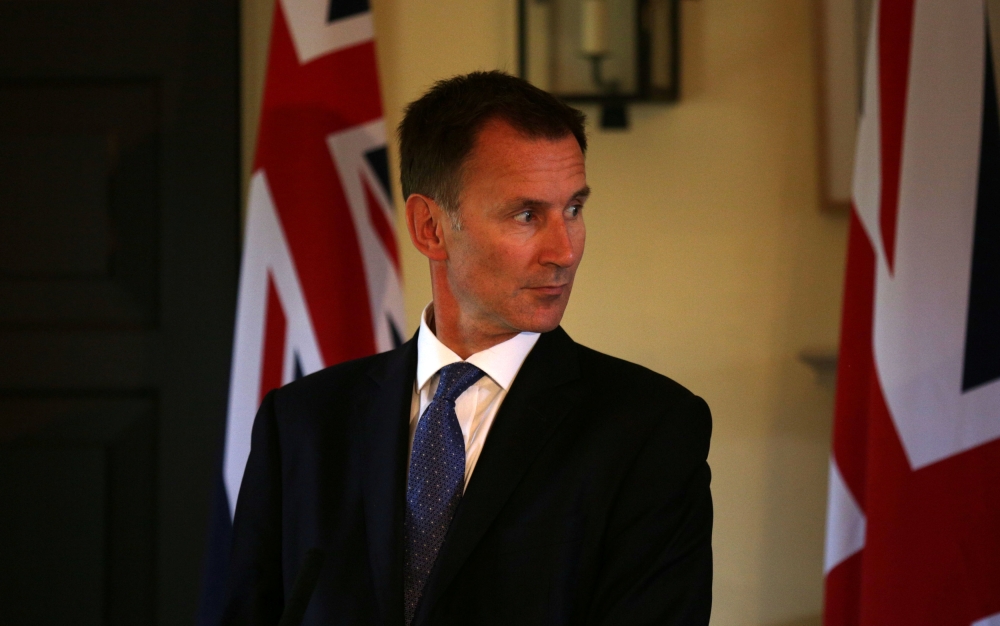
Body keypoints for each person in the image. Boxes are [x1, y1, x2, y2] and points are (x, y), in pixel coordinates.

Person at [222, 70, 713, 626]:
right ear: (429, 227)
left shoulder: (652, 429)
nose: (565, 250)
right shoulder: (302, 423)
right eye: (527, 215)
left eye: (573, 209)